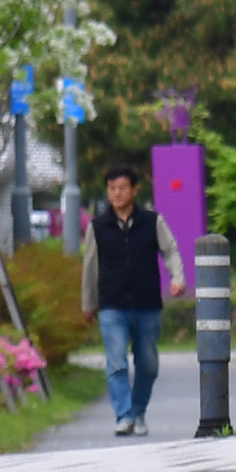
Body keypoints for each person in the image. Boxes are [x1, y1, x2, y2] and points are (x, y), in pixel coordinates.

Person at [82, 162, 186, 437]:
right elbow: (90, 266)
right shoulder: (98, 227)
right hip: (112, 305)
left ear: (134, 190)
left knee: (148, 363)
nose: (117, 193)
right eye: (112, 188)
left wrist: (178, 278)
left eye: (122, 188)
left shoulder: (152, 222)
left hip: (146, 303)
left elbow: (171, 251)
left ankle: (138, 411)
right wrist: (88, 304)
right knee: (116, 362)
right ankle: (124, 415)